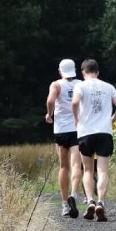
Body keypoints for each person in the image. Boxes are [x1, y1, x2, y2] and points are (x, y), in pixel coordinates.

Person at [71, 58, 116, 222]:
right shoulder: (108, 87)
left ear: (83, 72)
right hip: (104, 132)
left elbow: (74, 102)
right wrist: (111, 120)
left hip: (85, 132)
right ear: (98, 72)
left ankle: (90, 201)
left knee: (87, 170)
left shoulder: (80, 85)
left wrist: (76, 118)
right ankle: (101, 201)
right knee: (102, 170)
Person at [45, 58, 82, 218]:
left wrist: (49, 113)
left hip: (61, 130)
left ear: (60, 71)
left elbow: (50, 100)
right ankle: (74, 194)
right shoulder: (81, 84)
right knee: (76, 165)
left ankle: (65, 204)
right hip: (77, 129)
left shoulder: (56, 84)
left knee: (63, 167)